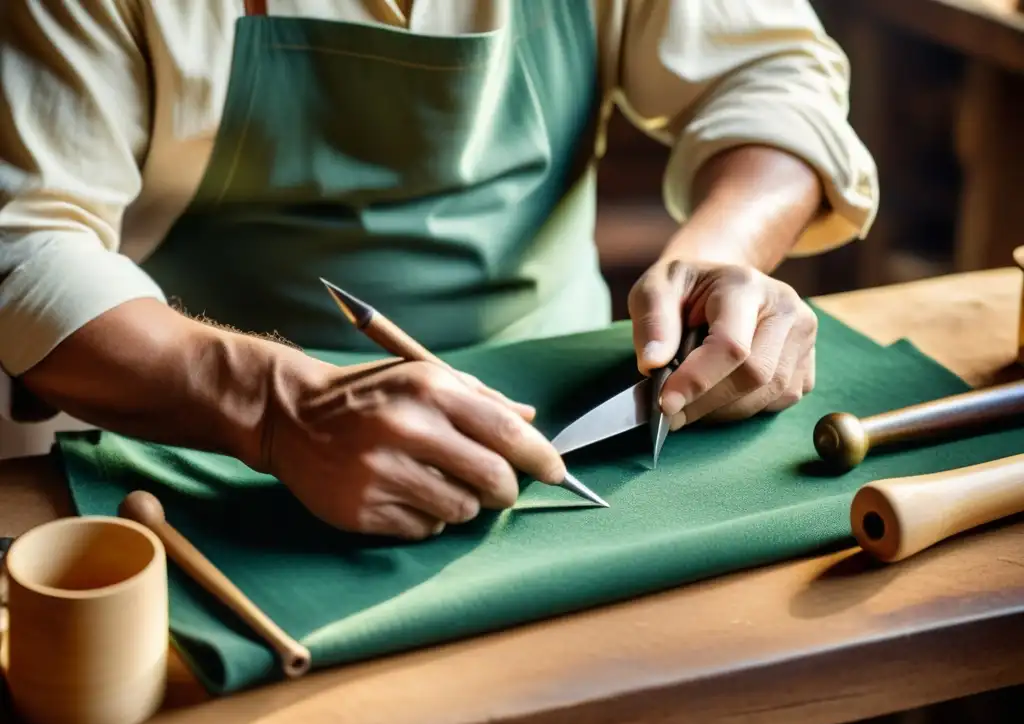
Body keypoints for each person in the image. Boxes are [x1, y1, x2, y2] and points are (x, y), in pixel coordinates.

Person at [0, 0, 878, 539]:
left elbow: (774, 72)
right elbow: (26, 244)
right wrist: (280, 408)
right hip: (205, 444)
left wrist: (720, 257)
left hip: (570, 395)